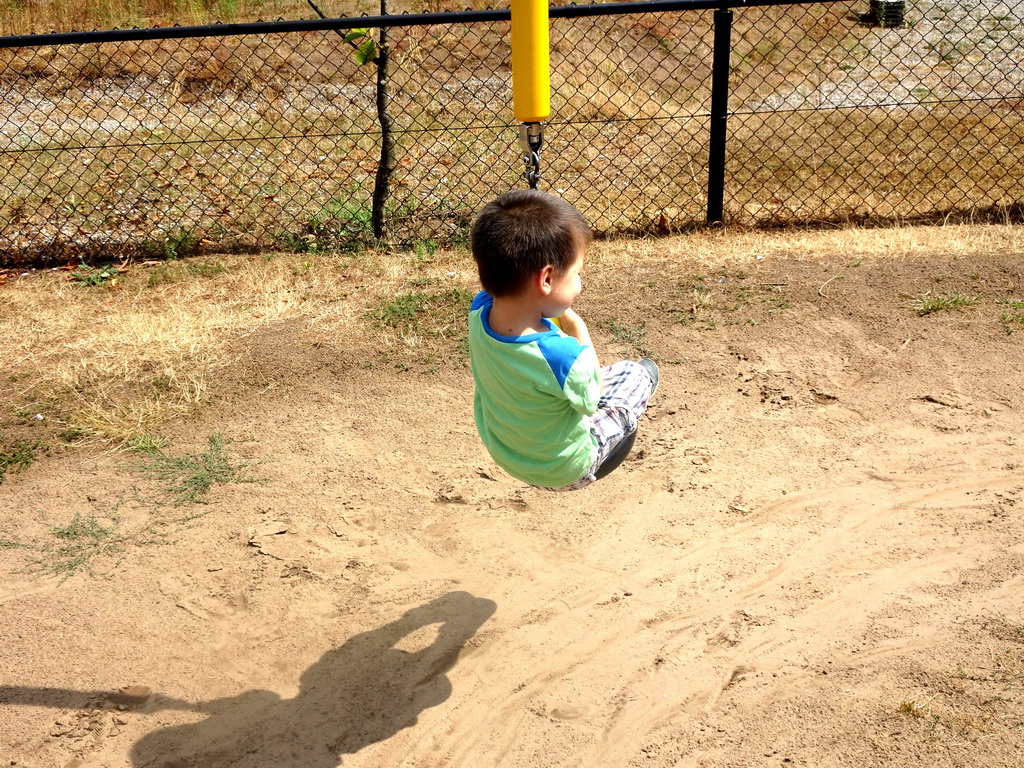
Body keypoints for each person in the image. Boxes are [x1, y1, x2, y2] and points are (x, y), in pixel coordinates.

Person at [467, 189, 659, 491]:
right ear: (546, 279)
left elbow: (518, 301)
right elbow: (591, 395)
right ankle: (609, 437)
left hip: (508, 451)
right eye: (577, 273)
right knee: (635, 374)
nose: (580, 283)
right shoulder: (560, 356)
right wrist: (574, 323)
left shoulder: (479, 311)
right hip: (564, 469)